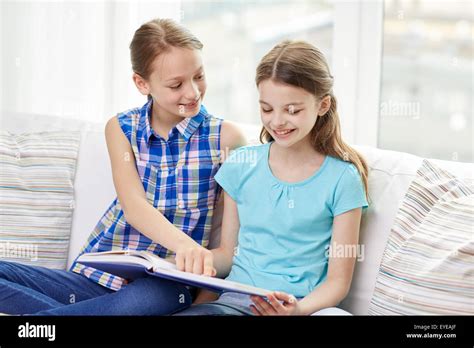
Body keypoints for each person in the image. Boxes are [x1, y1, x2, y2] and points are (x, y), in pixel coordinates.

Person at [0, 18, 246, 315]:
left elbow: (226, 250)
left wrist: (201, 279)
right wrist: (185, 245)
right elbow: (134, 206)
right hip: (97, 280)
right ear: (142, 83)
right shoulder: (121, 128)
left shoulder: (226, 138)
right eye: (176, 84)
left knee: (149, 298)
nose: (192, 92)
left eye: (199, 76)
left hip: (165, 286)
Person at [175, 40, 370, 316]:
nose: (277, 121)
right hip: (235, 303)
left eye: (292, 110)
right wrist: (184, 262)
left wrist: (298, 310)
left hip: (301, 306)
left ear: (323, 105)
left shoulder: (343, 178)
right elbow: (227, 255)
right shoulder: (241, 164)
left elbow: (338, 283)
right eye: (267, 109)